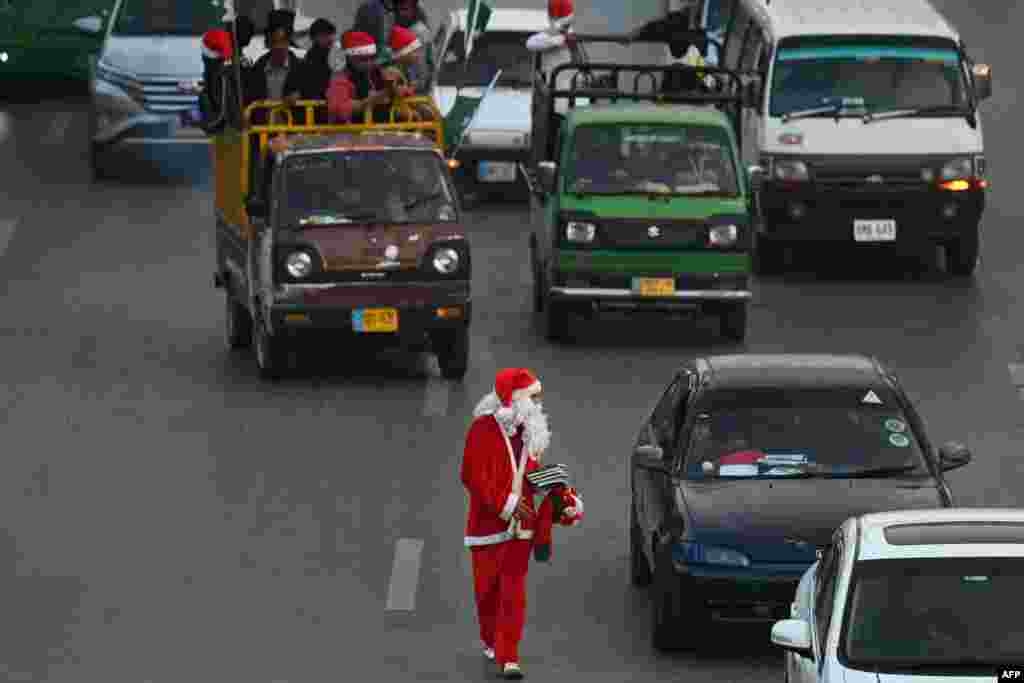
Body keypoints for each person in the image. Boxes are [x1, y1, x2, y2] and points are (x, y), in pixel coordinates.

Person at [462, 368, 552, 680]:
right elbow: (472, 476)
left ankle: (509, 655)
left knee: (513, 592)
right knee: (487, 593)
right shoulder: (482, 430)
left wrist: (559, 490)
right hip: (487, 531)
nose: (539, 403)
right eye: (533, 397)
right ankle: (491, 640)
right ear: (516, 400)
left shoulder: (531, 432)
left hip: (521, 532)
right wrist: (508, 506)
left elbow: (533, 472)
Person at [245, 10, 303, 123]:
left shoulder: (301, 68)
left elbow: (313, 93)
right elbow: (249, 99)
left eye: (283, 41)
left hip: (293, 134)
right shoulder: (257, 69)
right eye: (275, 42)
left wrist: (300, 95)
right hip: (263, 134)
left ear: (289, 41)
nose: (279, 47)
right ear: (268, 43)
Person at [325, 32, 392, 123]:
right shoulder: (340, 78)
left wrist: (396, 89)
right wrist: (368, 102)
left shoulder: (377, 73)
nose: (369, 63)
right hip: (349, 133)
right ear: (348, 58)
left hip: (378, 130)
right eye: (363, 59)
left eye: (372, 58)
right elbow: (338, 109)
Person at [283, 18, 338, 123]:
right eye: (324, 35)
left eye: (331, 35)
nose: (330, 39)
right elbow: (289, 97)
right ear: (314, 37)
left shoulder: (336, 64)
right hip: (306, 126)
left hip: (330, 125)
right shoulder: (301, 67)